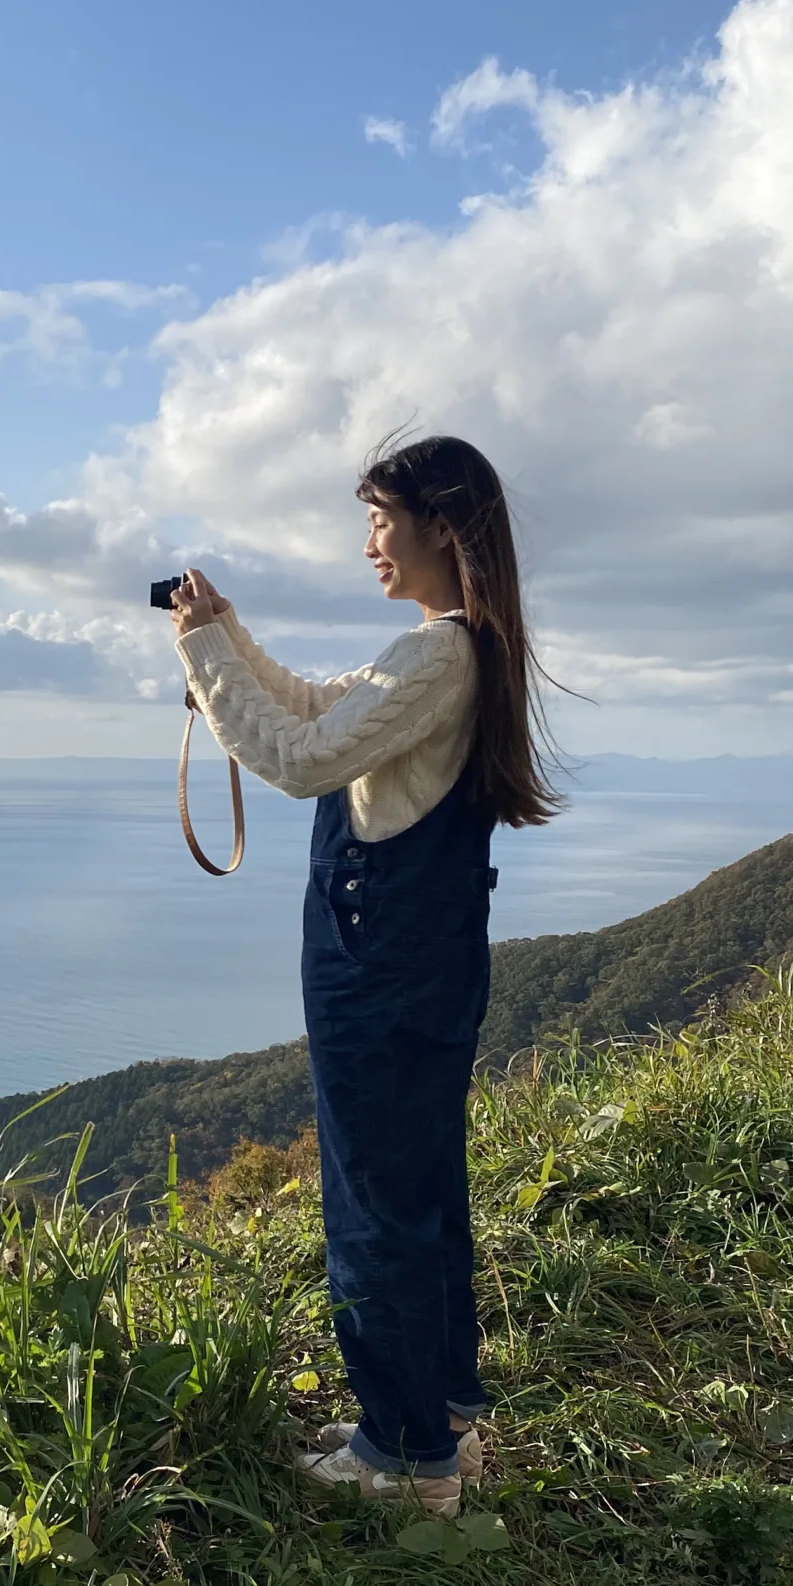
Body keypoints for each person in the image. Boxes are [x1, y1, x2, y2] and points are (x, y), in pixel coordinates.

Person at [169, 434, 557, 1519]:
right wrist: (225, 632)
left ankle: (403, 1458)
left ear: (442, 526)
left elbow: (297, 760)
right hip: (430, 948)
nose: (371, 540)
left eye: (383, 517)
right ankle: (440, 1411)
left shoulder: (434, 656)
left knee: (373, 1197)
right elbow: (309, 707)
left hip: (374, 954)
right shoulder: (451, 648)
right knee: (421, 1183)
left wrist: (201, 655)